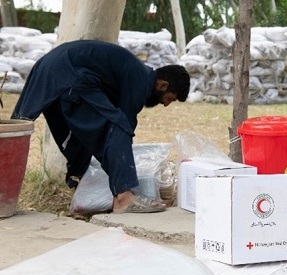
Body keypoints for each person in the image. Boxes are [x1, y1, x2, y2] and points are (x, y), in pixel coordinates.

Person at [11, 39, 191, 214]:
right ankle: (123, 198)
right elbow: (123, 127)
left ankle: (81, 186)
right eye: (170, 98)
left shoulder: (129, 72)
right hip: (69, 73)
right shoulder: (141, 79)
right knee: (117, 126)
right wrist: (125, 173)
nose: (166, 104)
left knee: (77, 135)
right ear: (162, 85)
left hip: (51, 70)